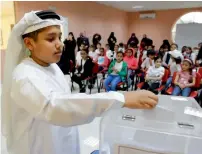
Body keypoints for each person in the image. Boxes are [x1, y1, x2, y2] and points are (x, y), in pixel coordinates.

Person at [2, 10, 158, 154]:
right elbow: (54, 107)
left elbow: (67, 102)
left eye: (59, 37)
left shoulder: (52, 66)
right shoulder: (24, 76)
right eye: (51, 38)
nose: (60, 44)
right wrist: (120, 98)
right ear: (29, 43)